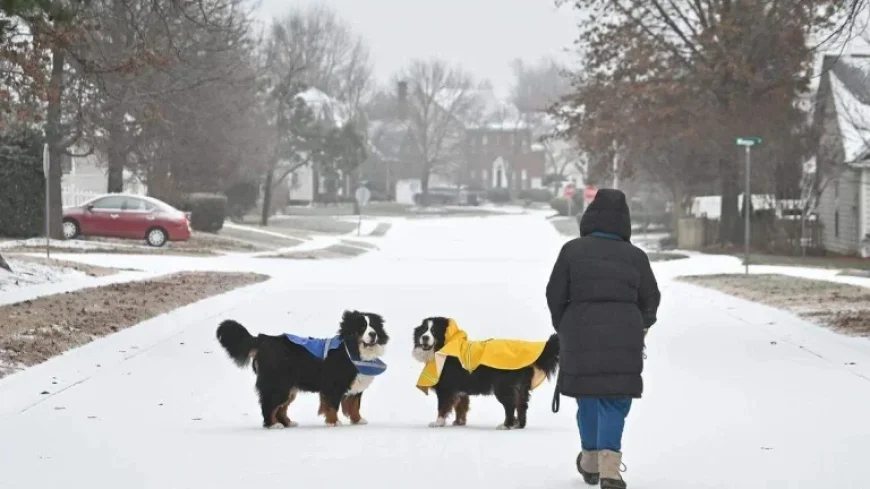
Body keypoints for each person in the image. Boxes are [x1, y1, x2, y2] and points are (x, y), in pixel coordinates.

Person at [546, 188, 660, 489]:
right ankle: (610, 469)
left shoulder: (572, 251)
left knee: (588, 395)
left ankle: (590, 461)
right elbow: (651, 298)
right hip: (624, 334)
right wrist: (641, 325)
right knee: (615, 398)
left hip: (579, 332)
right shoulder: (636, 257)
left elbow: (554, 293)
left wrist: (565, 325)